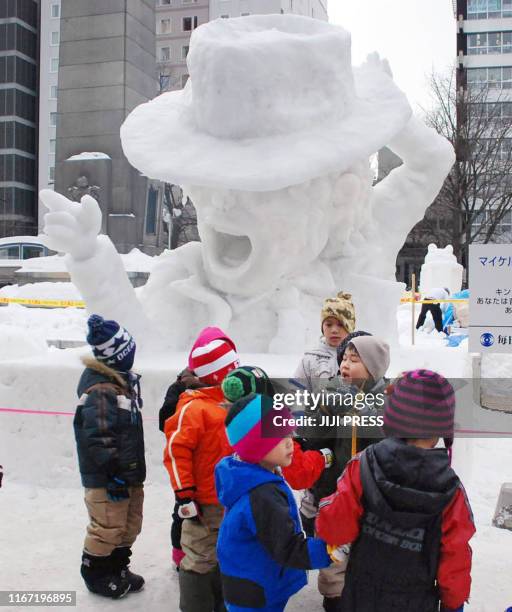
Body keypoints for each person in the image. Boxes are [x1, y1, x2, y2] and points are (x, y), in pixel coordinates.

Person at [317, 369, 476, 612]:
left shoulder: (363, 464)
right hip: (416, 599)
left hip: (361, 593)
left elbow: (335, 526)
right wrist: (453, 603)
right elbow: (455, 555)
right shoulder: (451, 490)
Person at [285, 334, 390, 612]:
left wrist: (353, 405)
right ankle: (334, 599)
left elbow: (380, 433)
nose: (345, 364)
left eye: (354, 360)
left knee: (365, 551)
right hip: (333, 492)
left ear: (373, 369)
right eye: (343, 358)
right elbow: (313, 435)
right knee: (334, 555)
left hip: (369, 496)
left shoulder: (384, 402)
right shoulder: (331, 394)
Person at [215, 393, 334, 612]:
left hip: (253, 580)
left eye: (289, 432)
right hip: (255, 592)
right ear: (255, 447)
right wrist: (332, 550)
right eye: (279, 437)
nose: (291, 442)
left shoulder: (250, 474)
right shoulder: (261, 494)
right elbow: (288, 547)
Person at [163, 328, 240, 612]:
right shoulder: (194, 408)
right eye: (234, 367)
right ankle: (197, 605)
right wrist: (184, 494)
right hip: (204, 501)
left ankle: (220, 602)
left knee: (225, 553)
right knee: (199, 556)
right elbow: (175, 451)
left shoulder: (230, 404)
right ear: (221, 373)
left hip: (231, 498)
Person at [74, 314, 145, 599]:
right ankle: (96, 573)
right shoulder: (102, 391)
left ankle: (117, 567)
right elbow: (98, 437)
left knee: (128, 524)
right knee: (107, 526)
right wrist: (112, 473)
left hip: (126, 473)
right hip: (107, 479)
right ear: (117, 358)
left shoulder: (120, 384)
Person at [294, 292, 356, 390]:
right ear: (322, 327)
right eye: (329, 325)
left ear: (350, 328)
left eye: (340, 325)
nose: (334, 330)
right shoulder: (310, 359)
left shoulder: (360, 359)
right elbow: (295, 393)